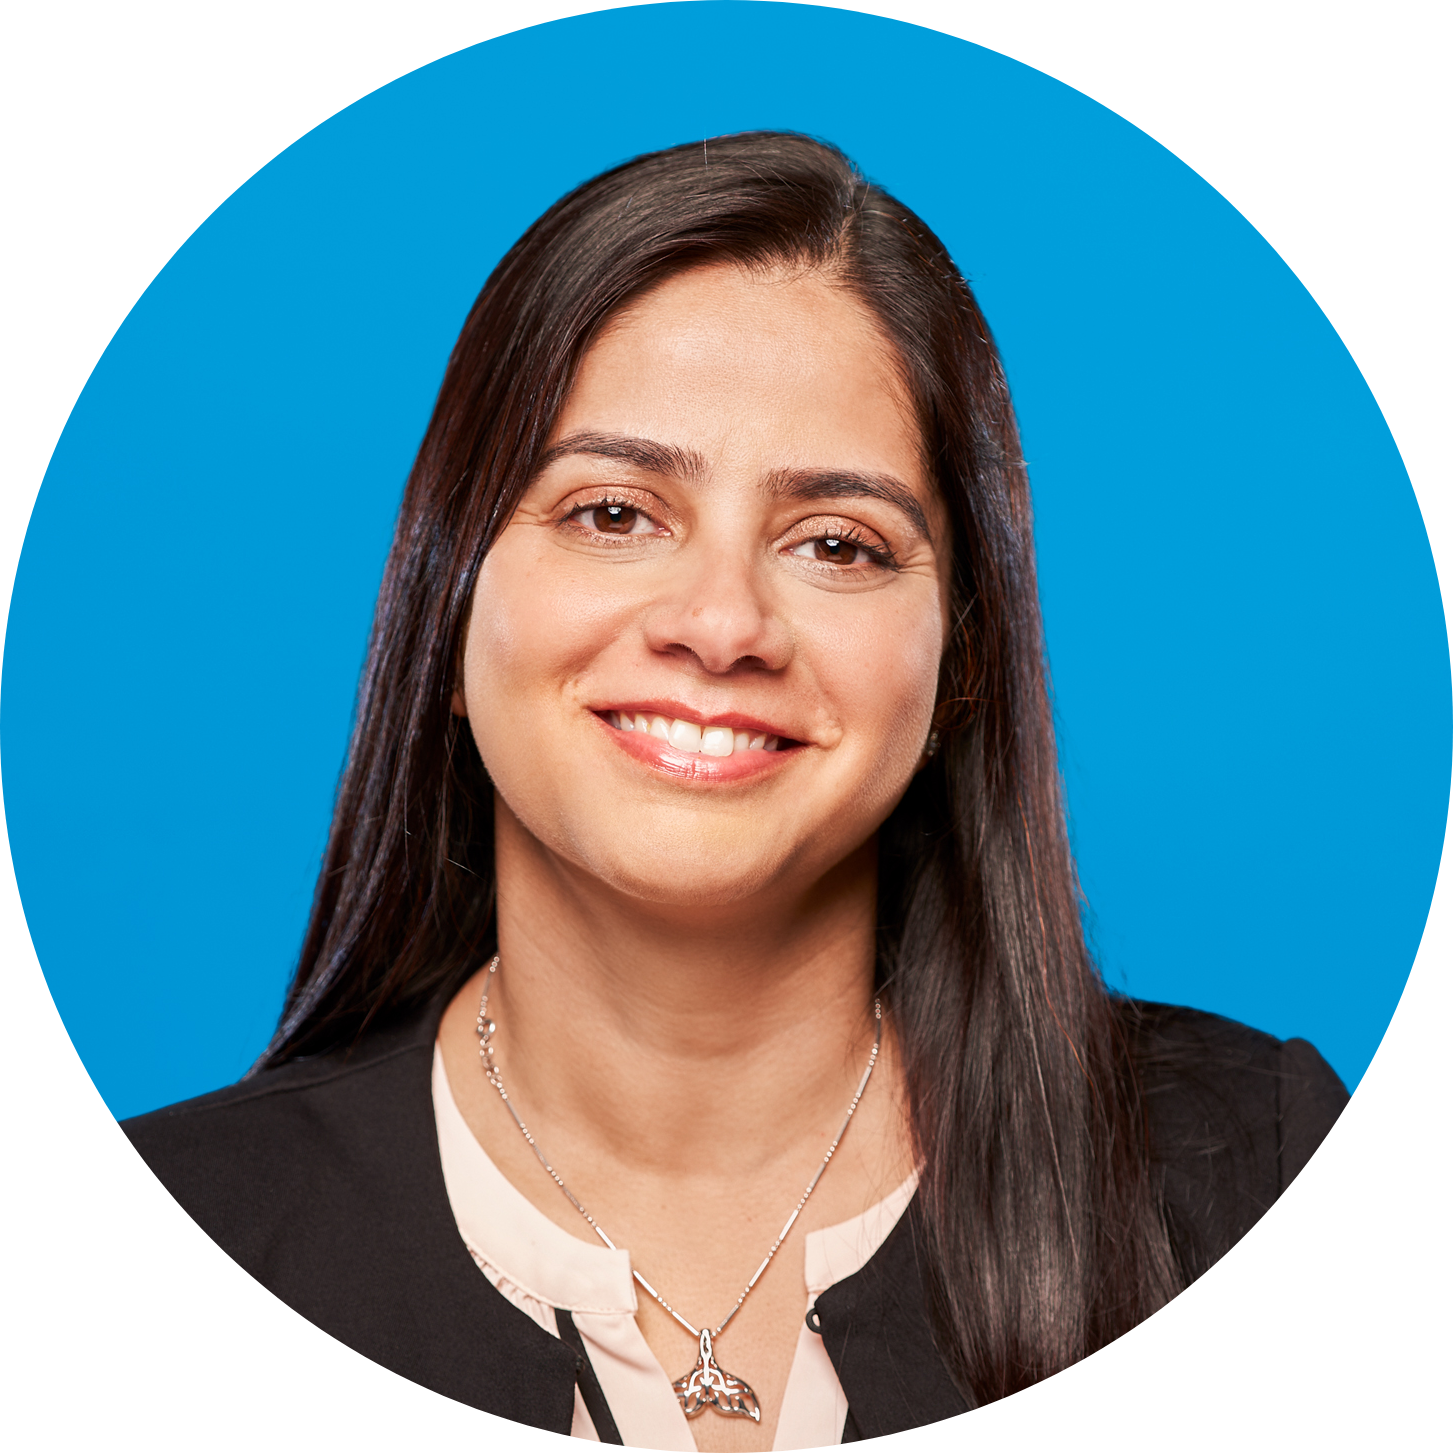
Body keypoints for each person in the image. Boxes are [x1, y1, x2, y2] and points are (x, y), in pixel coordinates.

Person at [123, 132, 1348, 1449]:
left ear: (960, 667)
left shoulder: (1248, 1169)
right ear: (448, 603)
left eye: (837, 542)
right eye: (613, 513)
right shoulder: (206, 1214)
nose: (721, 624)